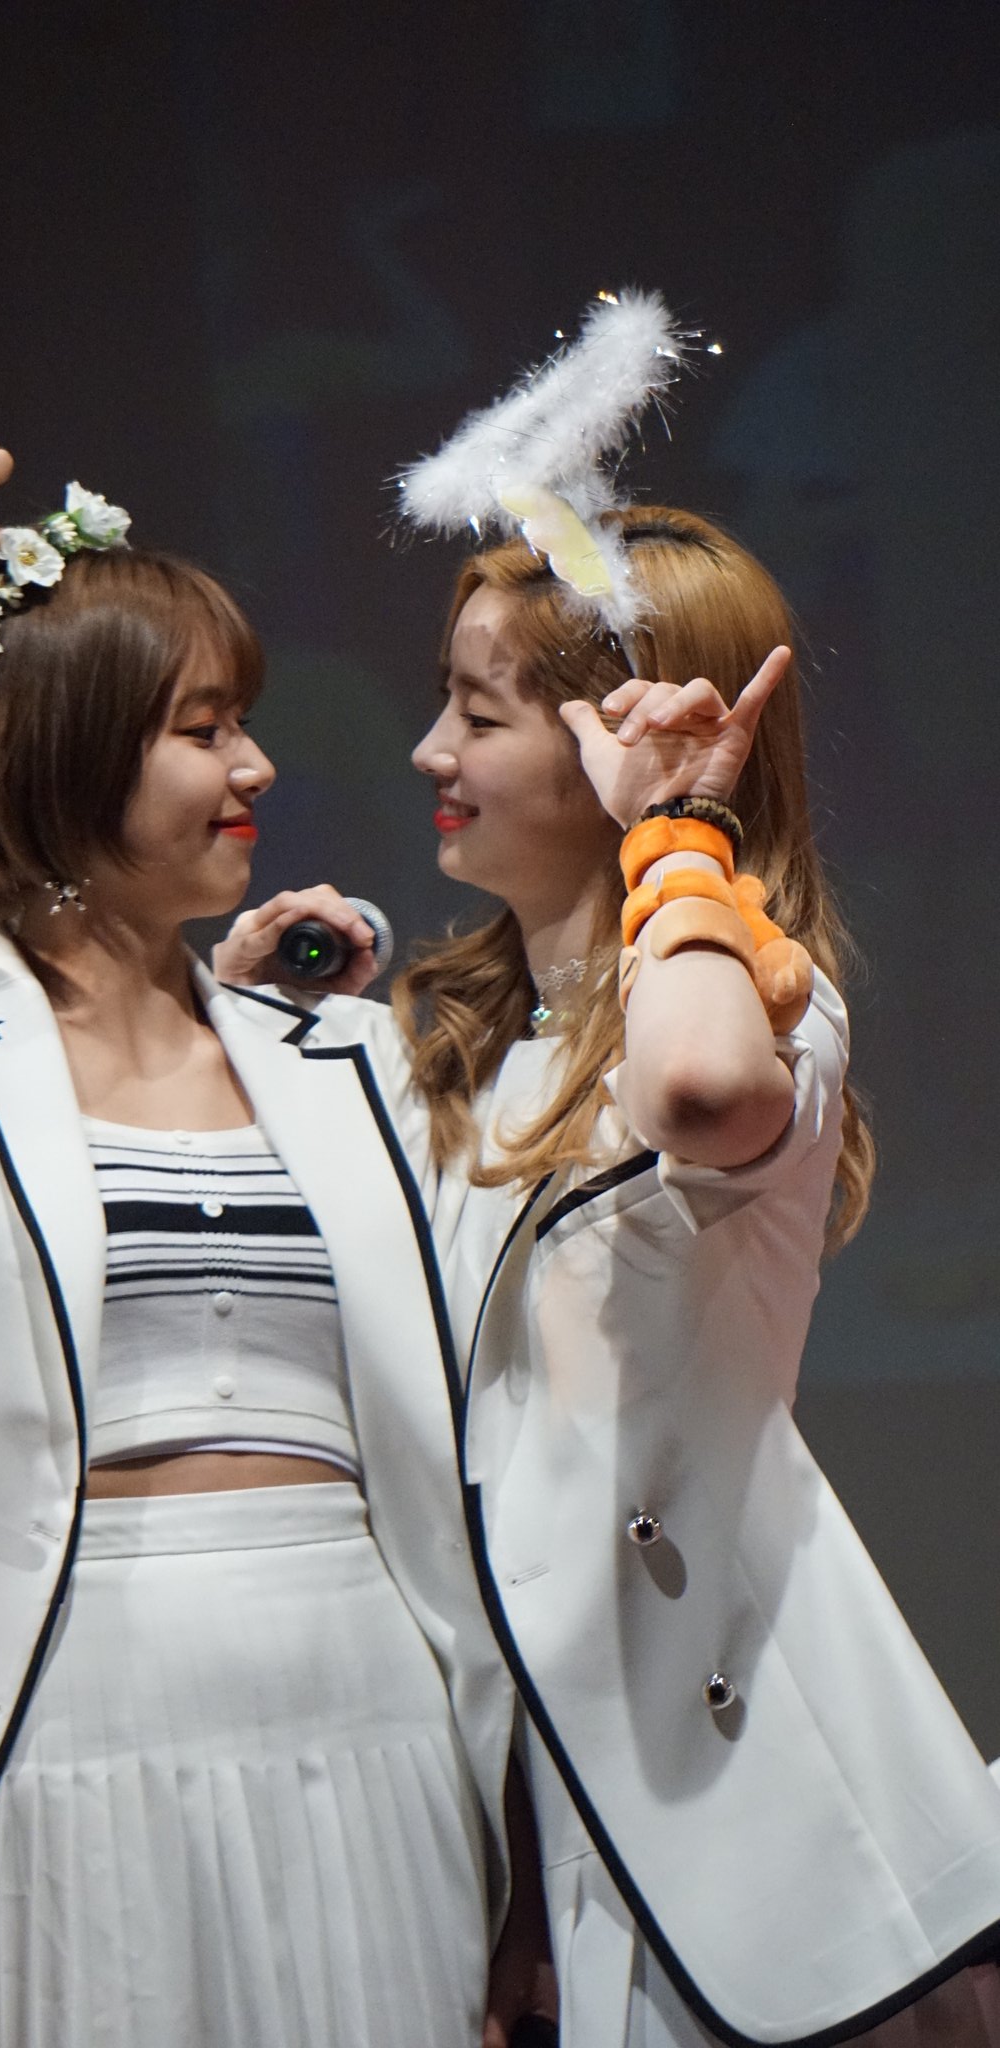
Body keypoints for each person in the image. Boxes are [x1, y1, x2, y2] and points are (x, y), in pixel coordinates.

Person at [219, 500, 1000, 2043]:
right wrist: (227, 1020)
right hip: (528, 1819)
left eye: (479, 712)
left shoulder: (763, 1004)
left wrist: (677, 829)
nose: (429, 750)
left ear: (612, 744)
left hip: (752, 1827)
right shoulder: (438, 1068)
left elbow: (693, 1090)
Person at [0, 317, 541, 2048]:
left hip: (374, 1731)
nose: (256, 770)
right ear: (63, 751)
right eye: (201, 728)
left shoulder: (346, 1060)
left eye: (244, 725)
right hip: (39, 1739)